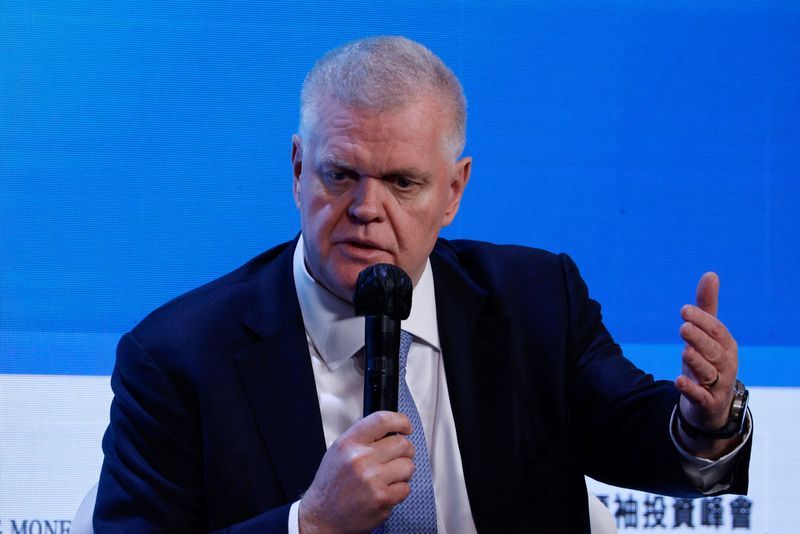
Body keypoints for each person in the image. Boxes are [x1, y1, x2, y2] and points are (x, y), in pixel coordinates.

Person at [94, 36, 751, 533]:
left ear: (454, 191)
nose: (366, 209)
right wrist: (310, 524)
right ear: (298, 169)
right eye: (340, 175)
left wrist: (704, 422)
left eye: (402, 183)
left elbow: (642, 435)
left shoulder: (534, 302)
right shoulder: (177, 359)